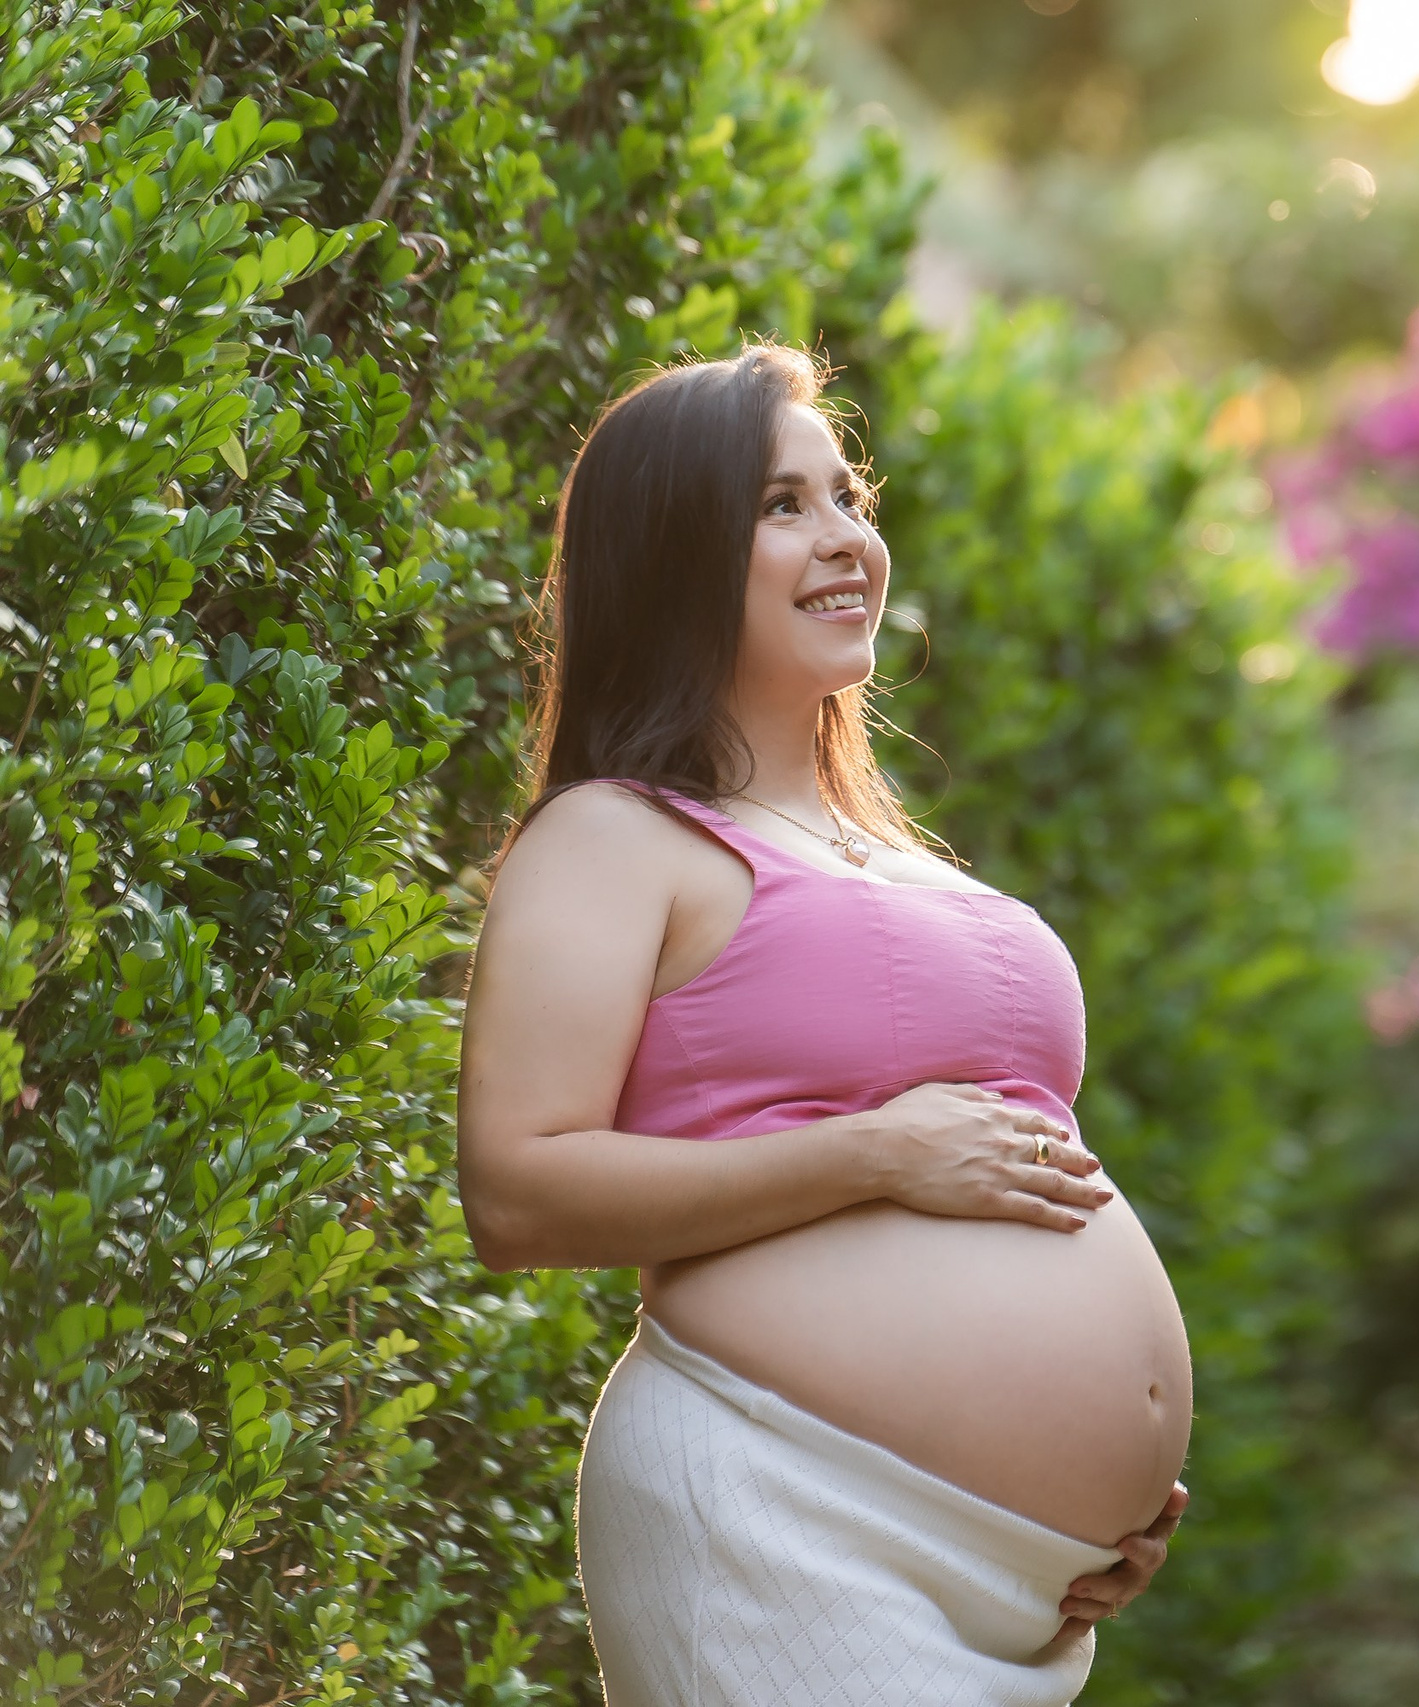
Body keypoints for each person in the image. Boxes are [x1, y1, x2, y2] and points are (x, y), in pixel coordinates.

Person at [455, 342, 1193, 1706]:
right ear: (673, 557)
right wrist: (876, 1157)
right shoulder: (616, 837)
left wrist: (1090, 1495)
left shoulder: (908, 861)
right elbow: (516, 1188)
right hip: (776, 1509)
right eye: (781, 506)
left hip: (1023, 1586)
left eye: (850, 496)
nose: (846, 535)